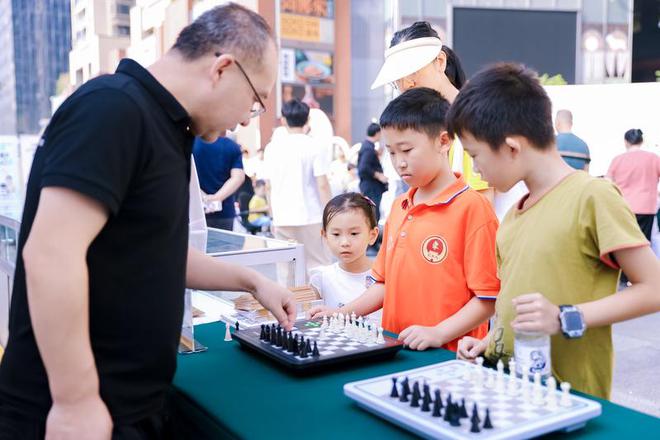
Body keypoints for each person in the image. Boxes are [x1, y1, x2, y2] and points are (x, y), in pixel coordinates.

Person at [0, 5, 296, 439]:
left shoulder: (170, 129)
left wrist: (253, 282)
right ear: (222, 69)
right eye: (255, 101)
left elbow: (156, 251)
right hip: (73, 412)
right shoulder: (114, 108)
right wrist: (76, 400)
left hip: (131, 403)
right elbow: (51, 254)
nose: (244, 119)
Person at [450, 63, 660, 399]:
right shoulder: (512, 218)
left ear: (512, 147)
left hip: (570, 398)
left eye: (475, 155)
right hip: (510, 389)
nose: (475, 169)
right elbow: (515, 307)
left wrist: (564, 318)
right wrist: (487, 343)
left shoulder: (592, 196)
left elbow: (654, 289)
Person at [309, 88, 500, 352]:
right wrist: (341, 313)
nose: (399, 163)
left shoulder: (473, 209)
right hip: (394, 349)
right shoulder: (400, 207)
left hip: (446, 358)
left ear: (444, 141)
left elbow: (488, 298)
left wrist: (438, 333)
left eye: (407, 150)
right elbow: (385, 283)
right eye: (391, 152)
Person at [370, 21, 494, 203]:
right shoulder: (427, 124)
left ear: (440, 62)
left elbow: (482, 206)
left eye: (412, 72)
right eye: (398, 80)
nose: (407, 84)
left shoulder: (475, 120)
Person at [262, 99, 332, 274]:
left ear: (283, 120)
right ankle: (319, 301)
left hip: (282, 217)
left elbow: (268, 186)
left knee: (287, 268)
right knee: (318, 265)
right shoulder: (315, 145)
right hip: (313, 216)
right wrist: (330, 214)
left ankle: (290, 302)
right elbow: (322, 184)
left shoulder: (272, 148)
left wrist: (272, 215)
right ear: (308, 120)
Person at [309, 193, 381, 323]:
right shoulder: (321, 278)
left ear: (372, 235)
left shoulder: (384, 276)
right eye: (336, 234)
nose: (345, 242)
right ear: (325, 236)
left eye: (354, 233)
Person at [607, 129, 660, 242]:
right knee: (644, 244)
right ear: (641, 141)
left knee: (625, 243)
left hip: (624, 207)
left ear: (626, 142)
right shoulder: (654, 158)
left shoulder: (617, 160)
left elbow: (608, 183)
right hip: (647, 208)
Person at [193, 135, 245, 230]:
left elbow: (182, 173)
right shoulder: (232, 146)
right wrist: (216, 198)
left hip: (195, 211)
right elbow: (238, 177)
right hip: (225, 212)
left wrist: (204, 197)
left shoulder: (190, 142)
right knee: (223, 243)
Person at [357, 123, 388, 222]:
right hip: (371, 187)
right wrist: (378, 175)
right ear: (377, 133)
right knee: (373, 214)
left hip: (369, 185)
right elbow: (363, 168)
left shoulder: (367, 146)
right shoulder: (368, 148)